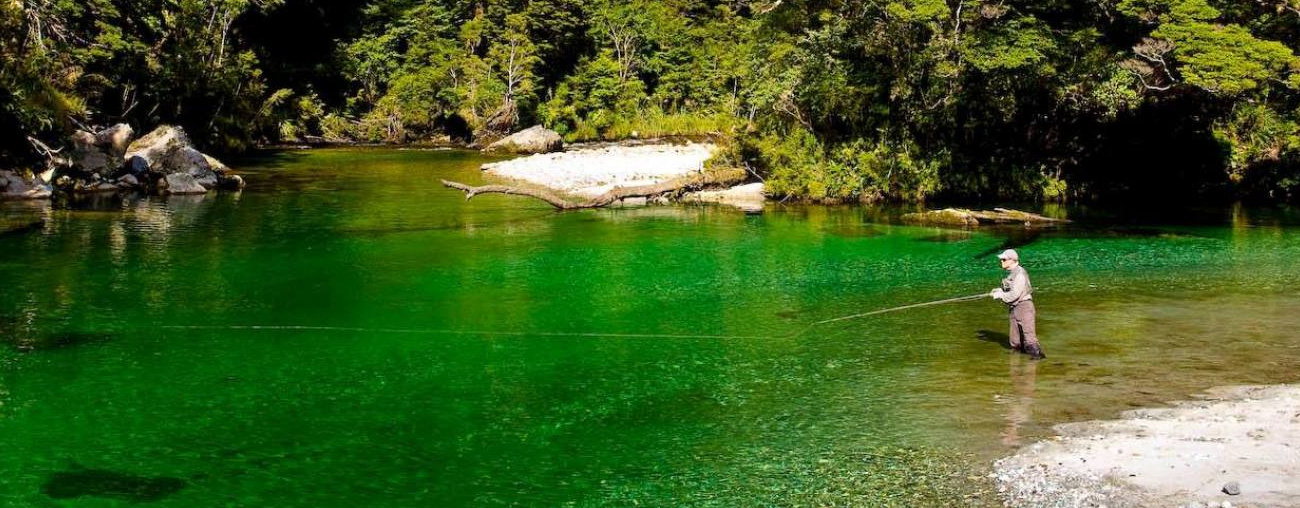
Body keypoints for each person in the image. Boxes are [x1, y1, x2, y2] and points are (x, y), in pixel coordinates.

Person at [990, 249, 1045, 359]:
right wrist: (999, 290)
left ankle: (1039, 364)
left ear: (1012, 260)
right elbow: (1010, 289)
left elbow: (1014, 295)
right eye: (1001, 259)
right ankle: (1018, 366)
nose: (1001, 261)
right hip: (1014, 308)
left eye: (1004, 259)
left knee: (1030, 341)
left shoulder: (1020, 274)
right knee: (1015, 342)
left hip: (1024, 308)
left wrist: (1001, 295)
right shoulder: (1012, 273)